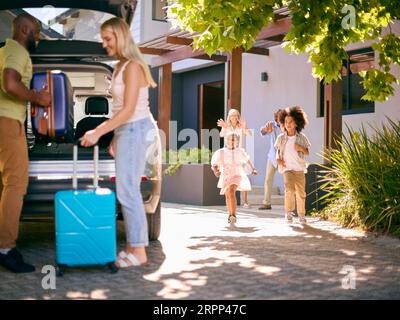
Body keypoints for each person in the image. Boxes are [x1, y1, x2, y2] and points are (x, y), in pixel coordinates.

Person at [80, 17, 160, 268]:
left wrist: (98, 131)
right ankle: (131, 247)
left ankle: (140, 253)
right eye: (103, 39)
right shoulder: (120, 66)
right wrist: (115, 135)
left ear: (121, 37)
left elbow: (128, 110)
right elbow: (120, 110)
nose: (104, 44)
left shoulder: (133, 67)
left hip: (136, 129)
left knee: (128, 191)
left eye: (108, 39)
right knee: (126, 190)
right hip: (127, 130)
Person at [0, 14, 51, 273]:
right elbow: (10, 83)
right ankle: (6, 248)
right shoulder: (18, 51)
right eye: (36, 31)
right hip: (8, 123)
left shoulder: (5, 50)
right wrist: (37, 98)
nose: (39, 37)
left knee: (4, 184)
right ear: (23, 30)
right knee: (16, 183)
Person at [274, 106, 311, 224]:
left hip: (299, 169)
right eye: (286, 122)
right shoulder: (281, 138)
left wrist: (300, 147)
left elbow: (307, 152)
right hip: (287, 168)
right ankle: (288, 212)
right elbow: (277, 152)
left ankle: (301, 215)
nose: (288, 124)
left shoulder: (301, 137)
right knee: (289, 189)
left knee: (301, 193)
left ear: (296, 123)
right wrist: (278, 160)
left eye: (290, 122)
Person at [211, 132, 257, 225]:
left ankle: (233, 215)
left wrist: (253, 169)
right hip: (226, 175)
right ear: (226, 141)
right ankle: (230, 214)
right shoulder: (221, 152)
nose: (231, 142)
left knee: (232, 191)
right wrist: (216, 171)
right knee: (228, 195)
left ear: (236, 142)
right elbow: (214, 164)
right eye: (230, 139)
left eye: (234, 140)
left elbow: (247, 159)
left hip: (237, 174)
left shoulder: (239, 151)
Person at [217, 108, 252, 208]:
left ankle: (245, 201)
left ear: (238, 117)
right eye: (231, 115)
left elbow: (249, 134)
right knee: (228, 177)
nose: (234, 117)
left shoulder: (240, 127)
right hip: (228, 155)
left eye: (235, 115)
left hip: (238, 155)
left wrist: (245, 127)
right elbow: (221, 135)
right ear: (229, 117)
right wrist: (224, 127)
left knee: (243, 175)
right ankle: (229, 199)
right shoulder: (227, 127)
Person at [259, 109, 284, 210]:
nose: (280, 120)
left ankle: (291, 204)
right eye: (278, 118)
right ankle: (266, 203)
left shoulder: (287, 126)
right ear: (276, 119)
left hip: (284, 158)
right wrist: (266, 130)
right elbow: (262, 131)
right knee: (268, 179)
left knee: (287, 180)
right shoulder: (271, 125)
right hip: (272, 157)